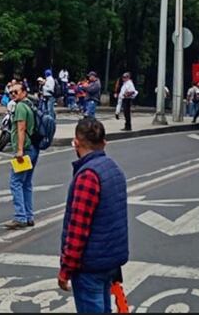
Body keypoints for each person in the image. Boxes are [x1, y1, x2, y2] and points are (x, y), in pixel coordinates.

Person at [58, 117, 129, 313]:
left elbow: (78, 230)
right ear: (104, 143)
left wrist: (66, 269)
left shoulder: (87, 176)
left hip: (90, 266)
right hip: (109, 261)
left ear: (76, 143)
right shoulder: (113, 169)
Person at [5, 82, 38, 230]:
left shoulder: (20, 107)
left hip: (25, 150)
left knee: (16, 182)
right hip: (33, 148)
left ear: (24, 92)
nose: (13, 94)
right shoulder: (30, 104)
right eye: (11, 92)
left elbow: (21, 128)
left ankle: (20, 217)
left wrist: (19, 150)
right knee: (26, 183)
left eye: (16, 92)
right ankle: (29, 216)